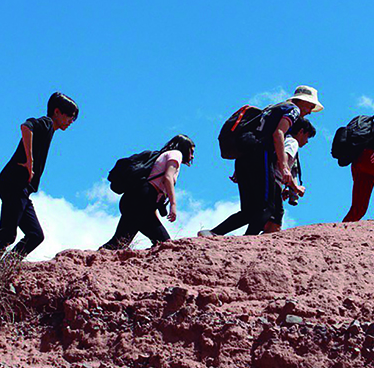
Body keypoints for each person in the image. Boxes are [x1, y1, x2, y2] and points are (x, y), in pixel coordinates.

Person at [202, 85, 323, 236]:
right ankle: (247, 242)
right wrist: (285, 168)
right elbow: (278, 133)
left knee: (249, 210)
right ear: (303, 101)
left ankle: (213, 233)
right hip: (261, 156)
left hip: (244, 157)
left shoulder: (273, 108)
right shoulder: (293, 110)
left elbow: (255, 132)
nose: (310, 111)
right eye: (310, 106)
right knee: (267, 208)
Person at [0, 92, 78, 258]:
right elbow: (26, 126)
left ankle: (5, 267)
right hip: (15, 182)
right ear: (57, 112)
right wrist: (30, 161)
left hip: (23, 188)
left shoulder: (50, 129)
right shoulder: (46, 123)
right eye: (70, 116)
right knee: (8, 233)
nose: (71, 122)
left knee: (35, 235)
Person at [101, 135, 195, 249]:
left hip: (136, 200)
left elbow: (152, 198)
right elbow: (168, 178)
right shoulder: (176, 154)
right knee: (165, 245)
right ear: (184, 148)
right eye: (191, 151)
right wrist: (173, 204)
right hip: (141, 199)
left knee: (120, 242)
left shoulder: (162, 156)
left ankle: (92, 262)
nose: (192, 156)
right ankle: (90, 262)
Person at [266, 118, 316, 233]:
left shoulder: (284, 140)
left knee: (263, 218)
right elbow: (281, 164)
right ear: (301, 131)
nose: (307, 141)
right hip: (274, 183)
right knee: (275, 223)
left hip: (269, 181)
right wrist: (296, 188)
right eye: (307, 136)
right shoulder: (292, 142)